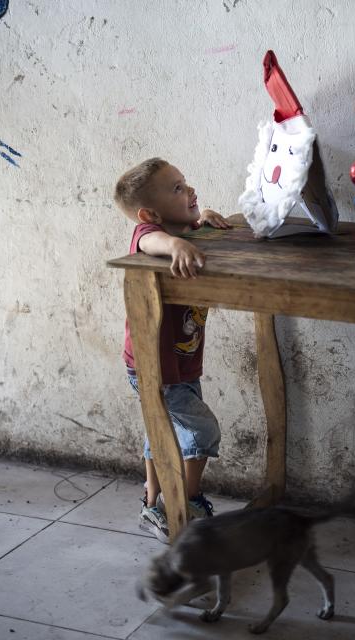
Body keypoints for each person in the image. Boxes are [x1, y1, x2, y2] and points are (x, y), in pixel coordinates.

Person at [113, 157, 232, 542]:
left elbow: (185, 227)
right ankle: (187, 500)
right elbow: (152, 239)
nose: (190, 190)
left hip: (179, 365)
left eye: (185, 182)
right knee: (200, 431)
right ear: (149, 213)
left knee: (159, 428)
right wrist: (176, 241)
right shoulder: (149, 235)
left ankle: (151, 504)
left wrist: (202, 220)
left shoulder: (180, 228)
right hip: (155, 368)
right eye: (177, 189)